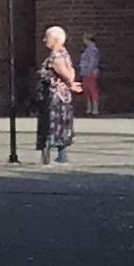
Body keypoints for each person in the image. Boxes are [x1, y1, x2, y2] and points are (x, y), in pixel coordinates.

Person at [39, 26, 82, 164]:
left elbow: (66, 73)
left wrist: (70, 82)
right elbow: (71, 71)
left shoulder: (56, 56)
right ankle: (59, 155)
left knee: (53, 124)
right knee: (60, 124)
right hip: (62, 95)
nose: (44, 40)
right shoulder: (64, 53)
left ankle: (53, 157)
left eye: (47, 37)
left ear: (56, 39)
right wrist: (71, 83)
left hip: (55, 96)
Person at [79, 34, 101, 116]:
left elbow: (92, 61)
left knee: (92, 90)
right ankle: (89, 108)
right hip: (85, 72)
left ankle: (95, 109)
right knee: (87, 90)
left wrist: (89, 71)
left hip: (91, 72)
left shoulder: (93, 50)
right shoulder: (88, 49)